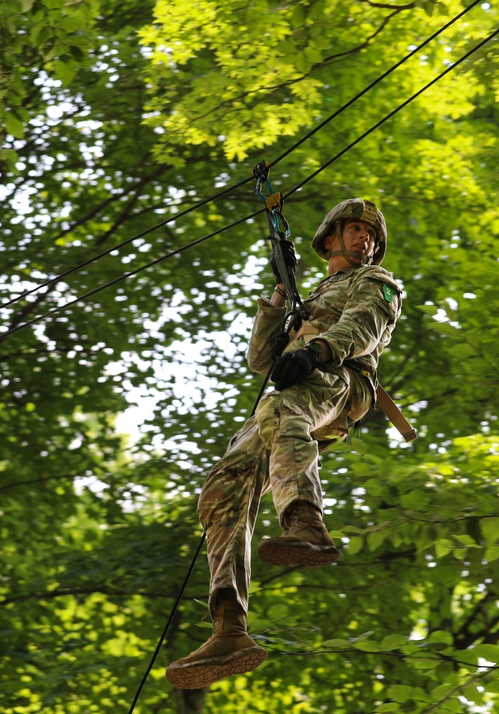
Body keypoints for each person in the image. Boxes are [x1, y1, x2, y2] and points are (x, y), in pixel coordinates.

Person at [166, 198, 403, 690]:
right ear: (332, 236)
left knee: (279, 410)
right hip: (294, 391)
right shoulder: (307, 294)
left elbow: (363, 328)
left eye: (373, 236)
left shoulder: (374, 282)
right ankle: (229, 626)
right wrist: (280, 294)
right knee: (221, 489)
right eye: (358, 230)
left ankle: (306, 522)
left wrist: (317, 348)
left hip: (339, 379)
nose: (368, 241)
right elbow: (260, 359)